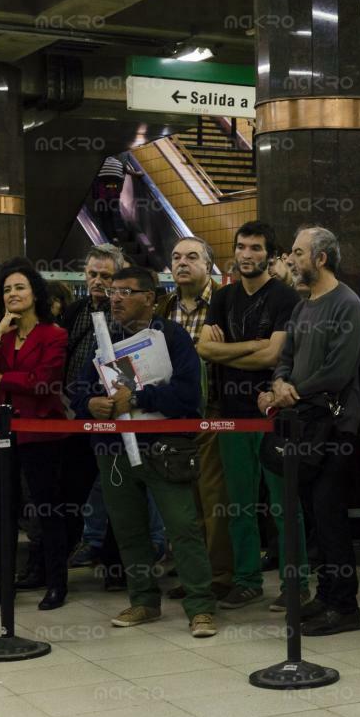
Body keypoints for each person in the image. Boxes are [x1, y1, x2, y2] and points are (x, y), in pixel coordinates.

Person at [71, 267, 217, 638]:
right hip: (114, 448)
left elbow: (189, 396)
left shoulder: (172, 336)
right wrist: (91, 403)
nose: (115, 298)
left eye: (125, 291)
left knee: (182, 526)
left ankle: (200, 606)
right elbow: (76, 388)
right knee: (128, 528)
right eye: (112, 291)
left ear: (150, 297)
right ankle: (144, 600)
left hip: (164, 446)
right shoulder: (101, 337)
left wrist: (137, 397)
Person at [264, 226, 360, 636]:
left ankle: (346, 607)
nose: (290, 259)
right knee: (313, 516)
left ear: (321, 258)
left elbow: (339, 372)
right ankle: (325, 595)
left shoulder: (347, 304)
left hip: (335, 428)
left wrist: (291, 392)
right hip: (303, 425)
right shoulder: (303, 306)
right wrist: (279, 384)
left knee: (330, 516)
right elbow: (285, 357)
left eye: (298, 252)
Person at [198, 221, 303, 611]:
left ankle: (298, 582)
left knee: (283, 504)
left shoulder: (285, 298)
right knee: (238, 504)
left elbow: (273, 356)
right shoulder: (223, 298)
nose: (246, 254)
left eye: (256, 248)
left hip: (273, 412)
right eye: (241, 247)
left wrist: (233, 350)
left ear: (271, 256)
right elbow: (204, 350)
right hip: (231, 413)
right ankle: (247, 580)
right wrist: (251, 346)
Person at [0, 264, 70, 610]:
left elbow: (43, 382)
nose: (12, 294)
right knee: (3, 509)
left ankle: (57, 582)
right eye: (7, 289)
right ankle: (4, 582)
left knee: (46, 508)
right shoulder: (3, 334)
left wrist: (2, 377)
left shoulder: (53, 334)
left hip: (40, 431)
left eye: (20, 288)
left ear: (35, 294)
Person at [156, 236, 233, 602]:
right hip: (173, 414)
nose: (181, 263)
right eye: (175, 257)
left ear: (208, 265)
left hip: (213, 409)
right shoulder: (164, 306)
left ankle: (218, 574)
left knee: (212, 496)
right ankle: (191, 571)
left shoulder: (224, 302)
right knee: (181, 500)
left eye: (191, 257)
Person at [62, 245, 128, 588]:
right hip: (76, 413)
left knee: (118, 491)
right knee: (73, 489)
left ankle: (116, 566)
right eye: (93, 274)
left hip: (117, 416)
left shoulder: (125, 314)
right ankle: (66, 558)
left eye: (106, 275)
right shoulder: (75, 312)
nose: (98, 281)